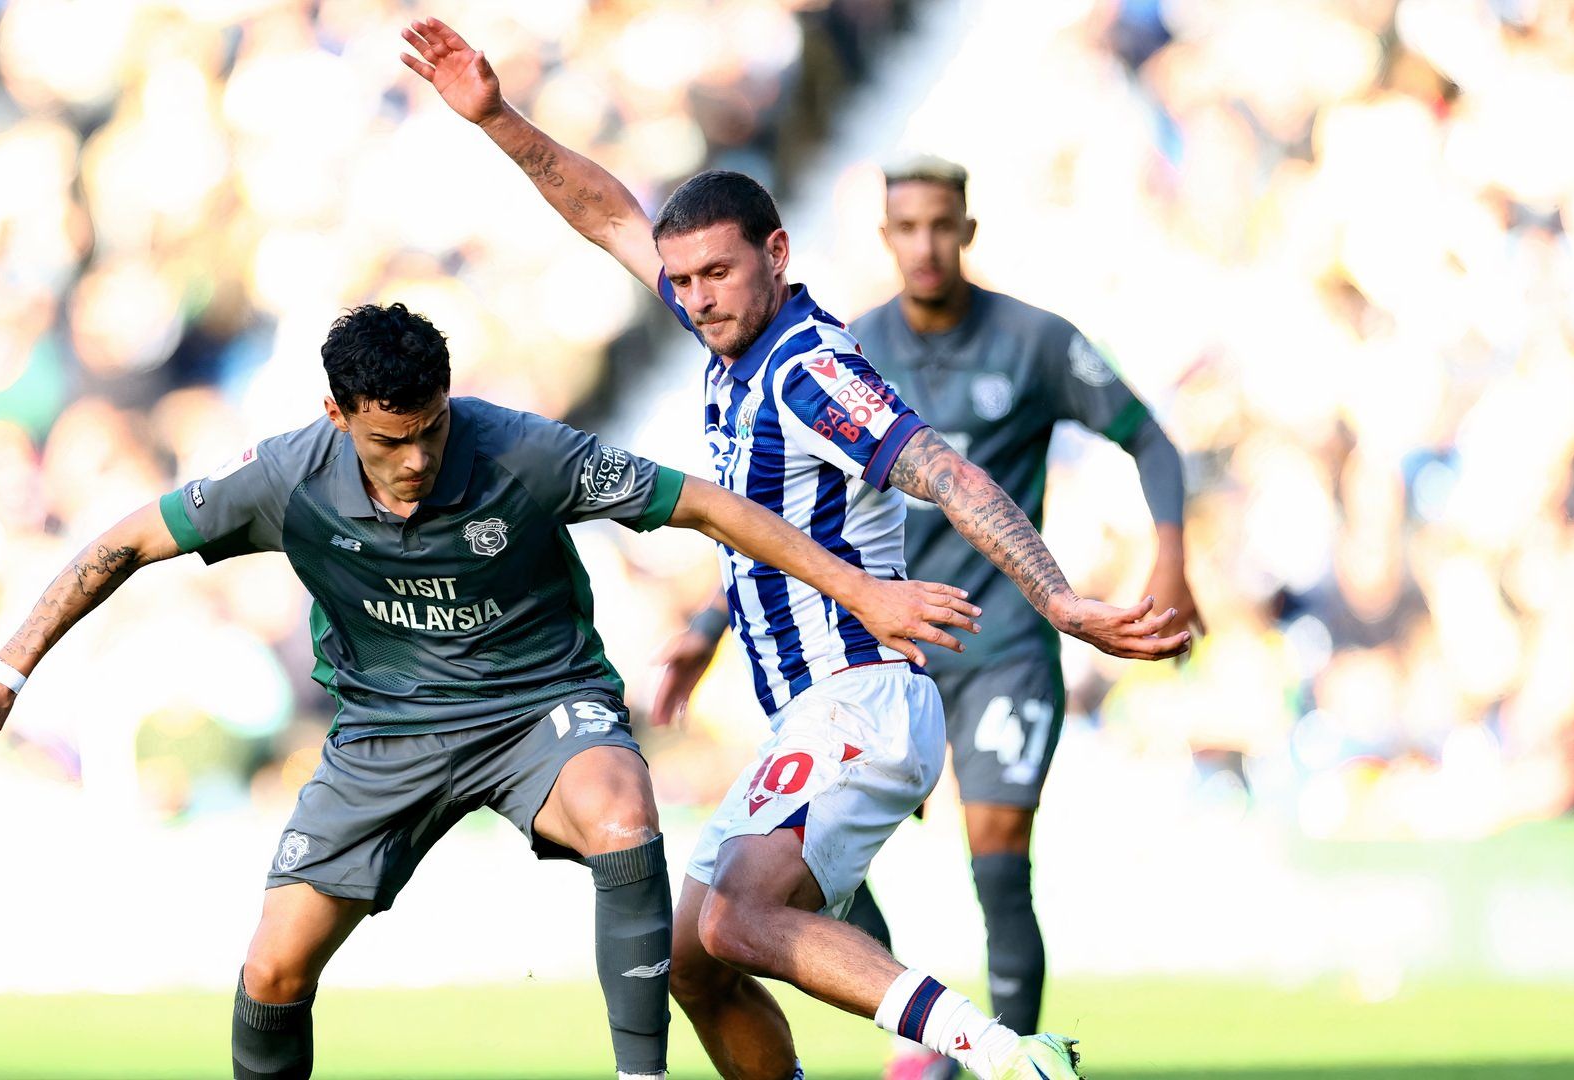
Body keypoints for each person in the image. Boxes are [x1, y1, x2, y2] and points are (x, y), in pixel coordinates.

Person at [402, 19, 1188, 1080]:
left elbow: (944, 471)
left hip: (862, 699)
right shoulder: (727, 330)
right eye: (681, 282)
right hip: (813, 707)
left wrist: (1060, 601)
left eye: (715, 274)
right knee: (688, 956)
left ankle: (993, 1051)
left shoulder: (809, 368)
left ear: (776, 255)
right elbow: (610, 216)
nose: (694, 297)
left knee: (731, 922)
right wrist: (498, 119)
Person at [0, 303, 976, 1080]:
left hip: (541, 710)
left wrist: (860, 590)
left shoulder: (521, 449)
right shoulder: (285, 476)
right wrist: (6, 668)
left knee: (621, 810)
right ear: (336, 414)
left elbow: (703, 505)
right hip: (384, 735)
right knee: (274, 974)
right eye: (393, 439)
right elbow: (123, 542)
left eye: (432, 427)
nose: (421, 456)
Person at [670, 155, 1205, 1079]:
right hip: (868, 646)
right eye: (904, 227)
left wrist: (1105, 581)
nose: (923, 244)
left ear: (966, 228)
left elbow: (1099, 446)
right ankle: (943, 1040)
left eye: (939, 225)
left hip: (977, 640)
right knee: (704, 946)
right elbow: (783, 524)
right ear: (885, 238)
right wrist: (708, 629)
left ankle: (994, 1051)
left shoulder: (1016, 344)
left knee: (990, 853)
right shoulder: (821, 336)